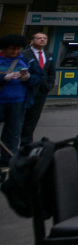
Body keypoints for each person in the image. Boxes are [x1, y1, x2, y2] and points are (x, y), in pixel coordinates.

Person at [1, 34, 40, 166]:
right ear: (4, 49)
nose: (16, 52)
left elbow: (39, 78)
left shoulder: (27, 61)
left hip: (18, 102)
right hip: (2, 100)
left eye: (18, 49)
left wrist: (28, 78)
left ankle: (7, 161)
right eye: (12, 49)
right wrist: (3, 78)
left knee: (12, 133)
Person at [20, 32, 55, 146]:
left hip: (41, 90)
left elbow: (51, 72)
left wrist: (49, 85)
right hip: (26, 89)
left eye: (44, 38)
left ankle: (26, 144)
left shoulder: (48, 55)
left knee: (33, 118)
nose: (42, 40)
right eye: (38, 38)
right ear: (32, 41)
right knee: (20, 117)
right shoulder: (23, 53)